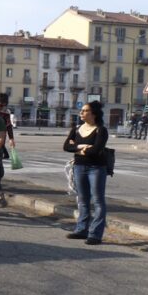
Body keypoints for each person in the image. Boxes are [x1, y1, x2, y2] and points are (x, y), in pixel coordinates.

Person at [63, 101, 109, 245]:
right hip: (79, 167)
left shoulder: (100, 130)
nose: (81, 113)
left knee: (98, 201)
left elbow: (96, 150)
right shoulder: (76, 129)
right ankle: (81, 230)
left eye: (85, 110)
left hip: (96, 168)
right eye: (81, 110)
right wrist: (83, 147)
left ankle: (95, 234)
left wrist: (77, 148)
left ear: (93, 113)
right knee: (82, 200)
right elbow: (66, 147)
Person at [0, 92, 16, 202]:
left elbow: (9, 126)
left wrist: (11, 139)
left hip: (0, 144)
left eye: (5, 104)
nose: (3, 107)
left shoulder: (5, 114)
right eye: (1, 104)